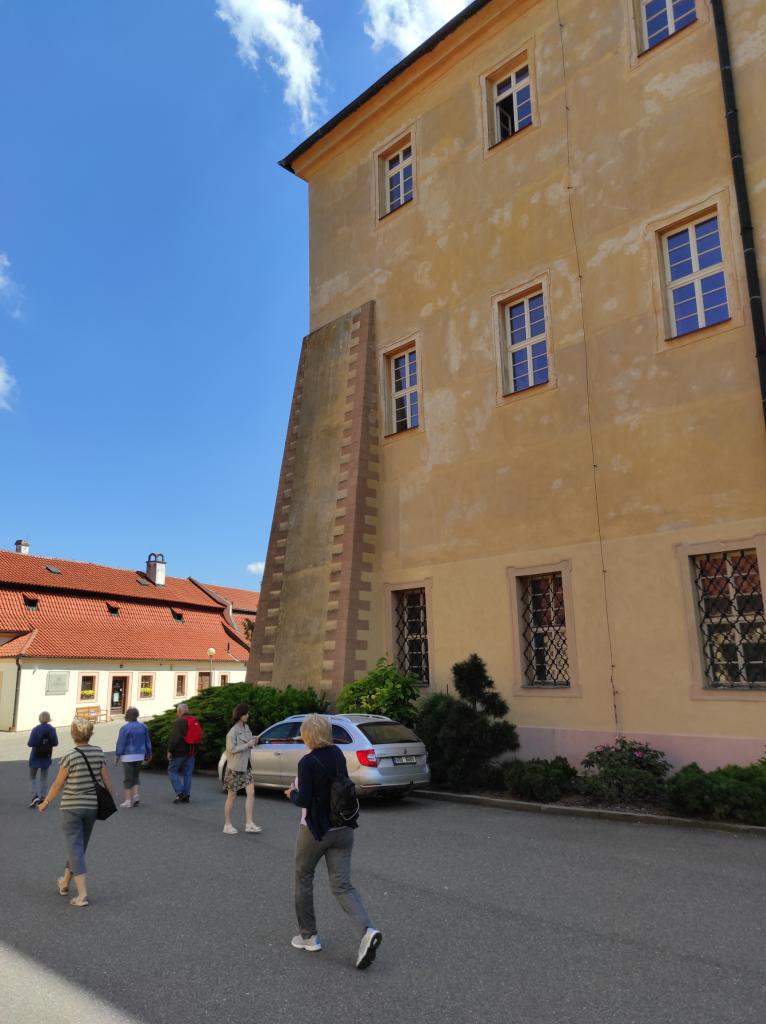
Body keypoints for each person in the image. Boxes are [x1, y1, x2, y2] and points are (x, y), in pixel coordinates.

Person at [285, 713, 382, 970]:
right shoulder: (338, 754)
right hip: (344, 827)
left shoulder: (307, 762)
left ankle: (309, 936)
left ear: (308, 735)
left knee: (303, 876)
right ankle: (367, 931)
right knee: (342, 885)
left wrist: (292, 793)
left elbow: (305, 800)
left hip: (317, 830)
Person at [37, 717, 115, 908]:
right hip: (91, 807)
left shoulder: (70, 756)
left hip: (71, 807)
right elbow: (106, 779)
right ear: (90, 734)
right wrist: (111, 798)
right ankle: (64, 883)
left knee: (75, 848)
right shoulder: (98, 752)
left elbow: (58, 784)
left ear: (73, 735)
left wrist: (46, 802)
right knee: (78, 848)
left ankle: (82, 895)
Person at [222, 703, 262, 835]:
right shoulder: (232, 732)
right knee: (232, 796)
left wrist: (254, 740)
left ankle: (249, 824)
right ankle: (227, 825)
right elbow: (231, 749)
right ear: (240, 715)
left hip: (246, 766)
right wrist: (247, 745)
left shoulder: (246, 727)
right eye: (246, 713)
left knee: (251, 793)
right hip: (235, 768)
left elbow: (249, 741)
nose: (248, 715)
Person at [115, 707, 152, 808]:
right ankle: (136, 796)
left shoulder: (125, 728)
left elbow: (121, 743)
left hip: (127, 756)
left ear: (127, 716)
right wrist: (149, 753)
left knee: (128, 778)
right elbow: (147, 741)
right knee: (136, 776)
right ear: (137, 715)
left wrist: (118, 755)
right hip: (140, 755)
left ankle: (128, 800)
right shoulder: (143, 727)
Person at [167, 702, 202, 803]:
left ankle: (180, 792)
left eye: (177, 712)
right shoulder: (194, 720)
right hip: (191, 752)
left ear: (179, 711)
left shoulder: (179, 722)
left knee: (172, 770)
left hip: (179, 752)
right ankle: (186, 795)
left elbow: (175, 739)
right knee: (187, 774)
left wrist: (170, 751)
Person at [27, 711, 58, 808]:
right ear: (49, 719)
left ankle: (34, 796)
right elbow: (55, 743)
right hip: (46, 756)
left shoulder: (35, 729)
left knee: (32, 777)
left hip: (35, 756)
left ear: (39, 718)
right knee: (43, 778)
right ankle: (43, 797)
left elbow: (30, 743)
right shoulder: (52, 730)